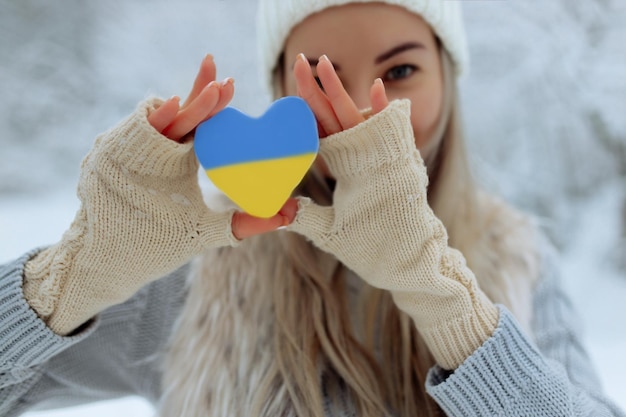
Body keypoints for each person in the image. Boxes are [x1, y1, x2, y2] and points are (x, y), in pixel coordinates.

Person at [0, 0, 623, 416]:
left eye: (400, 70)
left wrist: (442, 297)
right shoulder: (191, 267)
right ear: (279, 93)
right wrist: (69, 280)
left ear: (448, 76)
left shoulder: (519, 260)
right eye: (320, 78)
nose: (357, 110)